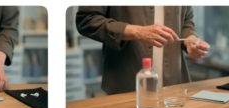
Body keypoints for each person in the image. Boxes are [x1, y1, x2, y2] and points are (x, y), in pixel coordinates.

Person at [76, 6, 210, 95]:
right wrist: (137, 31)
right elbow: (86, 20)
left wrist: (190, 39)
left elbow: (186, 18)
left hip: (176, 90)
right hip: (126, 88)